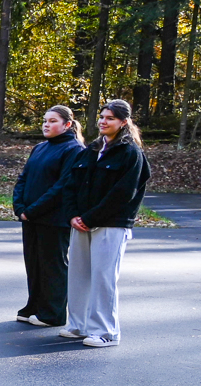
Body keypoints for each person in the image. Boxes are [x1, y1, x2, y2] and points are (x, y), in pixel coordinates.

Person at [59, 99, 151, 347]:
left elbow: (123, 194)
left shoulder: (131, 153)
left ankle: (106, 332)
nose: (103, 121)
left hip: (111, 225)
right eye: (101, 117)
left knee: (103, 279)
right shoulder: (91, 150)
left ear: (124, 122)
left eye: (110, 118)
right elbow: (71, 185)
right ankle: (78, 325)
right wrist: (73, 215)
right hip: (80, 223)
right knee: (78, 276)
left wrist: (90, 218)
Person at [11, 105, 84, 328]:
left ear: (67, 125)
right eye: (45, 120)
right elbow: (23, 178)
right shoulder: (40, 148)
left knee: (52, 266)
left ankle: (52, 313)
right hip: (30, 217)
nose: (46, 125)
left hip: (54, 218)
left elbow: (62, 186)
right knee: (34, 264)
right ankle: (34, 306)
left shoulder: (74, 149)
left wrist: (32, 210)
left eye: (52, 121)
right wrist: (19, 206)